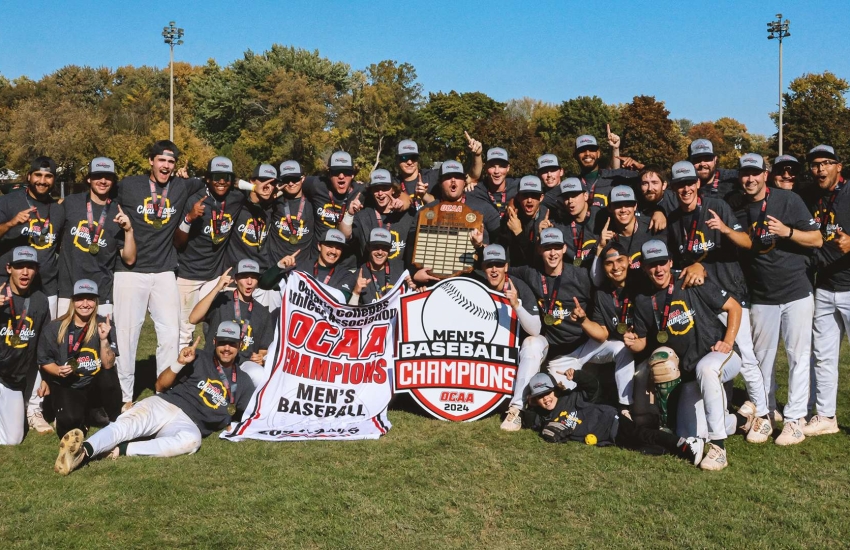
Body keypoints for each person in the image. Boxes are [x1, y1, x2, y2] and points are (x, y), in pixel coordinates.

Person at [54, 321, 256, 475]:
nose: (226, 348)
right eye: (222, 343)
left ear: (239, 345)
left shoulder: (244, 382)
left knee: (191, 442)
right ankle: (83, 452)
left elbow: (247, 416)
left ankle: (121, 450)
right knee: (126, 426)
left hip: (190, 424)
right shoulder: (199, 357)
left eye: (231, 343)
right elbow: (160, 385)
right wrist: (179, 363)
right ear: (215, 342)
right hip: (166, 404)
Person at [665, 160, 771, 443]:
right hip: (700, 298)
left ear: (697, 184)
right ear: (674, 188)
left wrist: (724, 229)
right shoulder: (674, 220)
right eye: (679, 185)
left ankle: (763, 415)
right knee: (714, 355)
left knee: (745, 354)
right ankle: (726, 410)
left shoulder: (716, 206)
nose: (685, 188)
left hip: (730, 292)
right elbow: (675, 262)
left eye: (689, 183)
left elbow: (748, 243)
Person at [625, 240, 743, 470]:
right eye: (652, 265)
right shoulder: (642, 299)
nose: (658, 270)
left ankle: (719, 448)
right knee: (688, 434)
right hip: (689, 375)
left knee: (706, 369)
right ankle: (742, 421)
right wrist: (633, 343)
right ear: (645, 267)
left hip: (719, 356)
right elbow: (643, 342)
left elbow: (734, 307)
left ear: (670, 262)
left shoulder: (690, 280)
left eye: (662, 263)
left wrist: (728, 342)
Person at [729, 153, 822, 445]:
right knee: (761, 359)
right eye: (745, 174)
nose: (750, 179)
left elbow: (817, 239)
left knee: (798, 356)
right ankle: (766, 414)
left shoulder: (787, 200)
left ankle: (794, 420)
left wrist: (788, 232)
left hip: (796, 290)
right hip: (761, 295)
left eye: (755, 173)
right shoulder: (736, 207)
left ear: (765, 175)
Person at [113, 140, 205, 410]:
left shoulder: (180, 186)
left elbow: (202, 183)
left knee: (170, 333)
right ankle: (124, 396)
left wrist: (188, 177)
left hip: (165, 270)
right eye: (161, 160)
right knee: (128, 335)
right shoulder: (129, 185)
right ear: (151, 161)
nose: (166, 166)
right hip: (130, 272)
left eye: (171, 162)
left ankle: (164, 390)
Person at [503, 227, 592, 431]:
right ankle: (517, 409)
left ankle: (625, 409)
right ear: (539, 250)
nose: (552, 253)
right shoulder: (530, 273)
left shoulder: (581, 276)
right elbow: (498, 272)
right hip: (554, 352)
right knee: (531, 343)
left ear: (564, 249)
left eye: (556, 248)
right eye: (547, 248)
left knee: (617, 348)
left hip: (585, 345)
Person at [521, 371, 705, 464]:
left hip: (612, 421)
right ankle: (678, 451)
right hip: (609, 437)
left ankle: (687, 444)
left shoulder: (571, 397)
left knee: (643, 435)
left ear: (555, 389)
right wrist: (529, 404)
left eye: (548, 392)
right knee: (644, 448)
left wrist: (577, 375)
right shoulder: (545, 417)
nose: (545, 398)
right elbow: (530, 421)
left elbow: (592, 386)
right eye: (539, 396)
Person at [174, 156, 247, 351]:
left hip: (214, 275)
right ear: (208, 178)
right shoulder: (193, 197)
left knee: (214, 324)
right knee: (184, 329)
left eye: (226, 177)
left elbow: (257, 193)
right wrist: (189, 218)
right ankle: (177, 378)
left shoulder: (236, 197)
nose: (221, 181)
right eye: (216, 176)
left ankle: (209, 370)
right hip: (187, 274)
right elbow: (178, 243)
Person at [38, 279, 120, 438]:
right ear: (72, 301)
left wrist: (104, 340)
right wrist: (57, 370)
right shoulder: (55, 327)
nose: (85, 303)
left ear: (96, 302)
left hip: (93, 382)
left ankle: (96, 409)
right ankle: (72, 413)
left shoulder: (104, 324)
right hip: (68, 384)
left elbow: (109, 364)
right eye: (80, 298)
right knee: (70, 421)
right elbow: (44, 360)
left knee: (110, 390)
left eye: (90, 299)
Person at [805, 144, 849, 437]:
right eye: (815, 164)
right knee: (823, 355)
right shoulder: (810, 195)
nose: (820, 169)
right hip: (824, 286)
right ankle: (825, 416)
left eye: (825, 163)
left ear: (838, 166)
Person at [57, 157, 136, 316]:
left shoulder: (117, 212)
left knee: (101, 340)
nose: (103, 181)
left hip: (101, 292)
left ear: (113, 181)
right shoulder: (70, 203)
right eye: (97, 176)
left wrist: (129, 231)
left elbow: (129, 259)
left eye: (108, 177)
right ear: (88, 178)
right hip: (68, 288)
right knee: (64, 339)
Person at [564, 242, 636, 412]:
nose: (616, 267)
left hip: (645, 349)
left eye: (620, 260)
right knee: (622, 348)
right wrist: (584, 321)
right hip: (621, 347)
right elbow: (602, 334)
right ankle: (624, 408)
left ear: (630, 261)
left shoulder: (641, 285)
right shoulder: (602, 294)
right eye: (609, 263)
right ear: (603, 267)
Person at [409, 160, 498, 287]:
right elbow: (410, 250)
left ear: (464, 181)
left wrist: (480, 247)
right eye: (448, 177)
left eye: (457, 177)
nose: (453, 181)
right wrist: (415, 273)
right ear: (440, 183)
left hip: (474, 283)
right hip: (434, 284)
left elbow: (501, 248)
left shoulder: (484, 208)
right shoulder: (425, 213)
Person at [189, 259, 272, 387]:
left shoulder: (262, 312)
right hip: (215, 359)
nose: (249, 282)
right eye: (244, 277)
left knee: (260, 375)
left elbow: (263, 349)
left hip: (243, 363)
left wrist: (260, 357)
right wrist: (217, 288)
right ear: (236, 279)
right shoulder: (222, 299)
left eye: (254, 278)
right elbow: (193, 318)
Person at [0, 156, 64, 317]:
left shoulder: (58, 210)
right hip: (9, 285)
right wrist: (11, 223)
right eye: (38, 175)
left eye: (48, 176)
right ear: (29, 176)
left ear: (54, 180)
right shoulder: (8, 202)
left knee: (45, 338)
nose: (42, 181)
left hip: (47, 287)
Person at [0, 247, 51, 445]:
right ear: (9, 268)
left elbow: (44, 343)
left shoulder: (39, 301)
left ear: (36, 271)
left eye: (30, 267)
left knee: (14, 439)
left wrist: (45, 377)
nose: (25, 272)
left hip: (12, 380)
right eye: (19, 266)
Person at [340, 169, 415, 271]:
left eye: (385, 188)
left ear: (393, 189)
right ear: (371, 191)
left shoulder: (407, 215)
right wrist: (349, 214)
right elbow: (344, 236)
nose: (380, 193)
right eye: (376, 189)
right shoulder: (363, 216)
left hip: (399, 278)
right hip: (369, 278)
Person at [226, 163, 277, 308]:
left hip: (261, 279)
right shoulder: (237, 202)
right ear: (252, 181)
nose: (267, 185)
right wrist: (254, 189)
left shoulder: (272, 206)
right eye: (262, 180)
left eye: (272, 182)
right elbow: (231, 181)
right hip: (236, 278)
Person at [261, 229, 357, 301]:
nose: (333, 251)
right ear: (319, 246)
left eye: (338, 248)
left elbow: (341, 300)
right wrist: (279, 266)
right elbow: (264, 284)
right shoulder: (300, 268)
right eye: (329, 246)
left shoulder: (346, 276)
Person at [540, 178, 600, 268]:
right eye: (566, 197)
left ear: (585, 196)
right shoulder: (559, 226)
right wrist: (541, 235)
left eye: (574, 195)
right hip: (578, 276)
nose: (570, 201)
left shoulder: (601, 215)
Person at [350, 228, 410, 305]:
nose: (380, 252)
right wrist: (356, 293)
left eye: (384, 248)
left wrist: (416, 288)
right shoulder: (359, 275)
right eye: (376, 247)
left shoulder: (402, 268)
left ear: (389, 249)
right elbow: (349, 313)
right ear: (368, 247)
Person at [502, 175, 548, 268]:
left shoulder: (548, 218)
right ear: (518, 197)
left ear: (541, 197)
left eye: (534, 195)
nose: (529, 200)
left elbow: (536, 259)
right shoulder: (512, 216)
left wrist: (518, 232)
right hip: (515, 270)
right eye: (525, 195)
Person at [466, 147, 520, 218]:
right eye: (492, 166)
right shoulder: (476, 190)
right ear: (485, 168)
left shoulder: (518, 185)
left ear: (508, 168)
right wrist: (467, 185)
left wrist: (514, 200)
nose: (496, 171)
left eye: (501, 166)